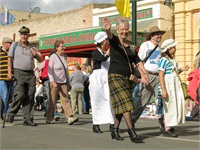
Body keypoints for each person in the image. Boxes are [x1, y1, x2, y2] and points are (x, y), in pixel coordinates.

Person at [104, 18, 149, 142]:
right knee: (126, 103)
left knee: (121, 106)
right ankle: (131, 132)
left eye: (126, 29)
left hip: (127, 78)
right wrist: (108, 30)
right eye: (122, 29)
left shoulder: (131, 46)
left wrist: (144, 74)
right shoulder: (114, 42)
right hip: (115, 76)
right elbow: (110, 36)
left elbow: (138, 61)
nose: (124, 31)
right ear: (117, 30)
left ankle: (114, 129)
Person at [131, 26, 166, 129]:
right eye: (157, 34)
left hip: (159, 76)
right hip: (148, 75)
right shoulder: (146, 45)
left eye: (160, 34)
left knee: (160, 100)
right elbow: (139, 61)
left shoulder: (160, 48)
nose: (159, 36)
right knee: (143, 100)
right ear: (152, 36)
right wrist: (143, 75)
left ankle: (163, 123)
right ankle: (132, 120)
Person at [7, 26, 41, 126]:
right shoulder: (14, 45)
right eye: (22, 34)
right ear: (20, 35)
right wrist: (10, 72)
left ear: (28, 35)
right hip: (18, 72)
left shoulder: (32, 47)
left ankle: (28, 119)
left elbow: (40, 59)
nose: (24, 36)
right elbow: (9, 59)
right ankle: (12, 112)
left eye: (25, 34)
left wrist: (35, 55)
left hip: (30, 73)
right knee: (20, 94)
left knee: (30, 96)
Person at [158, 39, 189, 137]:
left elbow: (173, 72)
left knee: (173, 104)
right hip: (168, 85)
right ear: (168, 49)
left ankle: (168, 125)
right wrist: (163, 89)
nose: (175, 49)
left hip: (174, 85)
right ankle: (167, 127)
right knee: (169, 105)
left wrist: (181, 69)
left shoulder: (172, 60)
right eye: (173, 47)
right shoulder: (163, 60)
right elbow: (161, 74)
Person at [46, 40, 78, 125]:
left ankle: (70, 117)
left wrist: (68, 82)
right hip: (55, 82)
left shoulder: (64, 57)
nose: (64, 47)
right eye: (61, 46)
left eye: (64, 46)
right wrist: (52, 81)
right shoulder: (53, 57)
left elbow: (66, 70)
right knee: (52, 101)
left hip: (63, 81)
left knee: (65, 99)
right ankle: (49, 118)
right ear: (57, 48)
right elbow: (50, 70)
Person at [89, 31, 114, 134]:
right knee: (97, 100)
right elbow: (102, 59)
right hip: (98, 77)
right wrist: (108, 52)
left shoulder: (106, 52)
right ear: (103, 41)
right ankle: (96, 124)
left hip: (106, 76)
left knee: (109, 100)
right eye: (106, 40)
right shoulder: (95, 52)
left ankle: (112, 124)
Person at [34, 50, 60, 120]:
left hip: (55, 81)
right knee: (51, 97)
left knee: (52, 97)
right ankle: (55, 113)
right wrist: (37, 76)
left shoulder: (57, 63)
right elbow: (37, 69)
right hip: (47, 80)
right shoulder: (46, 62)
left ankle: (47, 112)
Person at [0, 37, 14, 121]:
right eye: (10, 43)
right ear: (5, 43)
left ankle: (2, 112)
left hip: (11, 78)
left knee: (9, 97)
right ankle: (5, 114)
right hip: (1, 78)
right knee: (5, 96)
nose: (11, 45)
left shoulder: (11, 53)